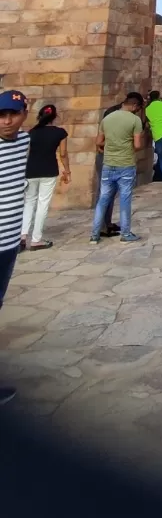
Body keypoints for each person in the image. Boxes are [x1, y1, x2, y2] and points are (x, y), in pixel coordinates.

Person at [0, 89, 31, 404]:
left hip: (9, 242)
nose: (7, 121)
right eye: (2, 114)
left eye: (13, 114)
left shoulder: (23, 141)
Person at [90, 93, 145, 243]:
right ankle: (126, 233)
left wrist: (110, 146)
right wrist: (126, 147)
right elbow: (138, 145)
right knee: (125, 199)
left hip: (108, 163)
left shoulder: (107, 119)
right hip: (125, 163)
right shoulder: (135, 120)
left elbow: (98, 141)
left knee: (103, 198)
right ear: (134, 106)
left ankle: (94, 234)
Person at [21, 103, 70, 251]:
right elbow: (63, 154)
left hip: (31, 170)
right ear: (54, 117)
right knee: (42, 204)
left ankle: (22, 236)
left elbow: (26, 153)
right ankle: (36, 239)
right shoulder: (60, 132)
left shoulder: (32, 132)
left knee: (29, 203)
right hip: (49, 170)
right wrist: (67, 170)